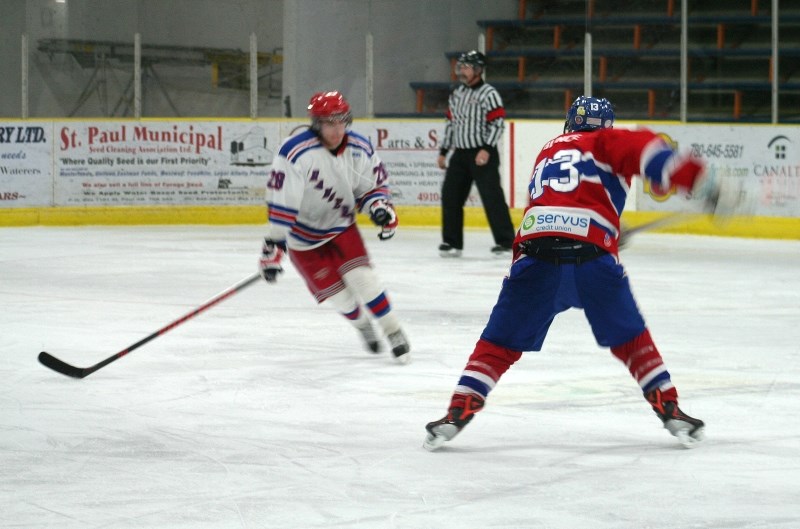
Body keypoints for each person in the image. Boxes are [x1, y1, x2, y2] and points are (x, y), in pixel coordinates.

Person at [424, 95, 744, 450]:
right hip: (591, 260)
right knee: (631, 338)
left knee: (498, 343)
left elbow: (563, 206)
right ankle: (669, 409)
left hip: (536, 256)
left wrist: (604, 230)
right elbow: (649, 149)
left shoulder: (549, 149)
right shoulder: (604, 141)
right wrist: (703, 181)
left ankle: (456, 412)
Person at [259, 91, 410, 364]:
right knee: (341, 299)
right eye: (330, 123)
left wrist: (378, 208)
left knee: (364, 281)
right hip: (302, 241)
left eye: (342, 121)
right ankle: (363, 325)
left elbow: (373, 188)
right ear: (317, 124)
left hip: (341, 229)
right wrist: (274, 248)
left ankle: (393, 330)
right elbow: (282, 203)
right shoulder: (294, 153)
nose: (337, 129)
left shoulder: (359, 148)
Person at [436, 50, 516, 258]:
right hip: (461, 155)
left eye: (466, 67)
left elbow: (497, 124)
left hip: (482, 153)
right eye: (460, 67)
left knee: (492, 198)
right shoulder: (457, 94)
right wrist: (444, 151)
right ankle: (452, 242)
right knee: (450, 196)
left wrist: (487, 149)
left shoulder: (489, 93)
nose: (462, 71)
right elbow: (451, 125)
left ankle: (507, 242)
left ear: (478, 70)